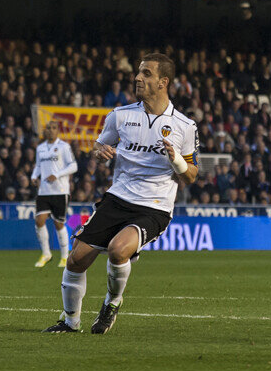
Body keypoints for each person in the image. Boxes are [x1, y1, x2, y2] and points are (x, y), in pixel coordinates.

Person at [43, 53, 198, 334]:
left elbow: (190, 175)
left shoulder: (184, 126)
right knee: (77, 257)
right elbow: (99, 147)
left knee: (118, 249)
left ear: (163, 82)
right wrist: (100, 153)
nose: (138, 78)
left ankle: (111, 303)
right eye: (139, 72)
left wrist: (176, 160)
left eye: (146, 74)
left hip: (154, 205)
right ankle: (69, 322)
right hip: (118, 197)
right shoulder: (120, 115)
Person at [31, 121, 78, 268]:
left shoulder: (64, 147)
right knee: (39, 220)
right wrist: (34, 176)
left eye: (53, 128)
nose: (50, 131)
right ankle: (46, 254)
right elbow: (38, 165)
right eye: (48, 128)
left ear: (57, 131)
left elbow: (74, 166)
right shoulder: (40, 148)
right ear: (45, 132)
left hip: (60, 191)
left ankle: (64, 256)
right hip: (44, 191)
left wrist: (57, 174)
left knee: (59, 224)